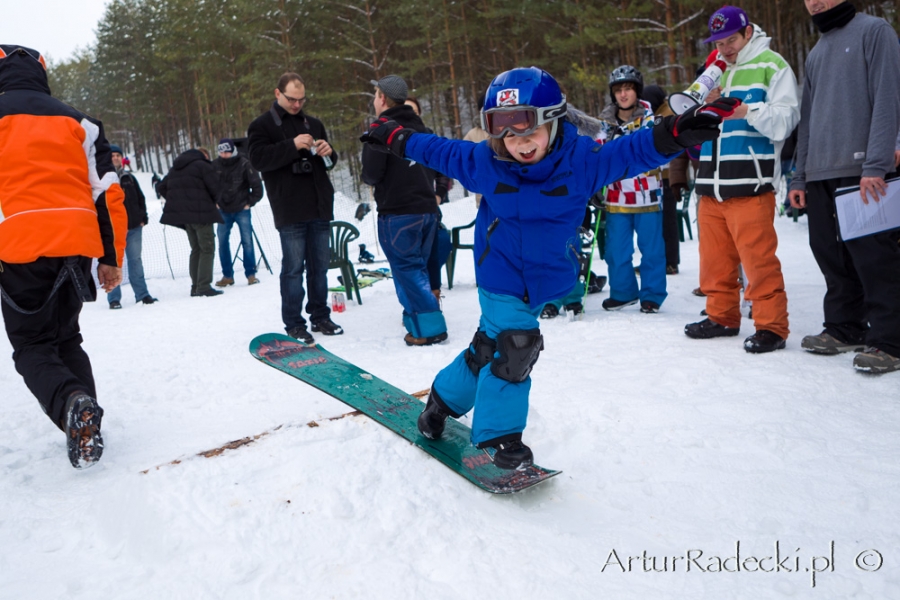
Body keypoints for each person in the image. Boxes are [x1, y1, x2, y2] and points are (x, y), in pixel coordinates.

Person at [361, 66, 738, 469]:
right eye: (508, 135)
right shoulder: (485, 161)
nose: (521, 144)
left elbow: (632, 151)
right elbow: (436, 149)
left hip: (546, 278)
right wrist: (396, 136)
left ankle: (438, 406)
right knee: (515, 345)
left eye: (530, 132)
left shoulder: (582, 162)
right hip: (499, 274)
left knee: (486, 349)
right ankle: (501, 438)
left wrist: (675, 134)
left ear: (555, 121)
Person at [0, 45, 127, 468]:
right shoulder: (80, 122)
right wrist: (112, 257)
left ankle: (74, 406)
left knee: (32, 344)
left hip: (18, 243)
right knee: (66, 337)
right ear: (42, 73)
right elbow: (108, 194)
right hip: (77, 242)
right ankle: (86, 416)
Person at [788, 0, 900, 373]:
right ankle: (844, 327)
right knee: (830, 255)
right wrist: (800, 174)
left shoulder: (875, 31)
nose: (815, 2)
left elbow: (889, 99)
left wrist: (877, 162)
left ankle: (890, 340)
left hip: (862, 169)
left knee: (874, 258)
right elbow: (809, 118)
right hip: (821, 171)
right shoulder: (818, 51)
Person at [682, 6, 800, 354]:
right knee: (714, 260)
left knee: (758, 261)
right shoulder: (712, 70)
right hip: (710, 182)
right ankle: (721, 316)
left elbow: (786, 120)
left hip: (750, 183)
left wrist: (746, 110)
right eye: (718, 42)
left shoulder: (773, 65)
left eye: (730, 39)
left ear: (748, 32)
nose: (725, 48)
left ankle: (772, 327)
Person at [247, 72, 343, 344]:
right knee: (292, 269)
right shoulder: (261, 125)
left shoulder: (313, 123)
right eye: (291, 99)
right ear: (277, 94)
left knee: (320, 267)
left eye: (301, 100)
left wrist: (328, 152)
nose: (297, 104)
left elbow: (330, 163)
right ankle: (294, 323)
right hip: (289, 208)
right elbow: (257, 160)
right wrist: (291, 146)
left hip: (319, 204)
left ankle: (320, 315)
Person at [361, 75, 447, 346]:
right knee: (416, 267)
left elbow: (371, 174)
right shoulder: (422, 127)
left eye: (376, 95)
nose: (375, 100)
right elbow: (435, 165)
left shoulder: (381, 128)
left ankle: (430, 327)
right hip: (426, 210)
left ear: (383, 98)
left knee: (408, 270)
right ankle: (416, 319)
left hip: (398, 212)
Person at [597, 65, 667, 314]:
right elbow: (597, 154)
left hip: (647, 194)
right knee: (616, 249)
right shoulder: (604, 122)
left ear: (637, 91)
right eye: (618, 90)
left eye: (628, 88)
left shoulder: (651, 118)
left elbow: (664, 153)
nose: (623, 94)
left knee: (652, 248)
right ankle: (623, 292)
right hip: (616, 195)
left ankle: (652, 294)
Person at [157, 147, 224, 297]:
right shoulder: (203, 165)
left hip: (185, 217)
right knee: (207, 249)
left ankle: (195, 286)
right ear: (204, 155)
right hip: (202, 215)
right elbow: (216, 188)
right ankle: (204, 286)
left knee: (196, 249)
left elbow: (161, 187)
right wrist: (211, 202)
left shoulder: (176, 168)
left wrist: (179, 201)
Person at [404, 95, 453, 303]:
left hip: (429, 208)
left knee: (434, 254)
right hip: (402, 211)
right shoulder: (389, 140)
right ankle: (413, 304)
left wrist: (439, 194)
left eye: (413, 111)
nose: (409, 114)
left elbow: (444, 169)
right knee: (409, 260)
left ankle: (433, 299)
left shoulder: (429, 137)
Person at [107, 144, 157, 309]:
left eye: (118, 155)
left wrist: (143, 218)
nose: (115, 158)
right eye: (113, 155)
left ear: (122, 158)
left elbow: (140, 198)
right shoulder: (103, 178)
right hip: (113, 230)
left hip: (134, 228)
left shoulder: (129, 178)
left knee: (135, 261)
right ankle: (114, 298)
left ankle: (142, 295)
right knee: (113, 262)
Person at [212, 138, 264, 287]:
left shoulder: (244, 163)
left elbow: (257, 187)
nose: (224, 155)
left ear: (232, 151)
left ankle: (251, 275)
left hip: (242, 209)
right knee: (222, 243)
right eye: (221, 152)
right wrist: (214, 201)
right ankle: (227, 276)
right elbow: (208, 185)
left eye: (227, 152)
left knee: (247, 242)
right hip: (222, 210)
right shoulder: (214, 166)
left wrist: (249, 202)